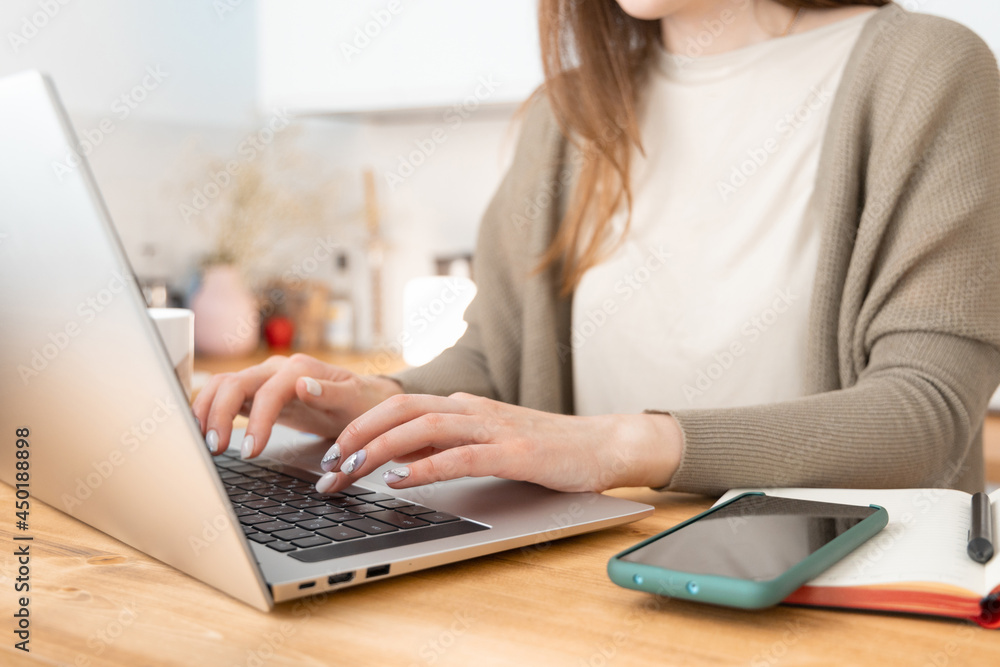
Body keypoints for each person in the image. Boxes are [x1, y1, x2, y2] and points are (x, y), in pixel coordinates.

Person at [193, 0, 1000, 498]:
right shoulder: (567, 116)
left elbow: (924, 413)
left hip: (826, 608)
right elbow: (494, 368)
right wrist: (374, 402)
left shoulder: (925, 70)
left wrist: (617, 445)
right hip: (595, 594)